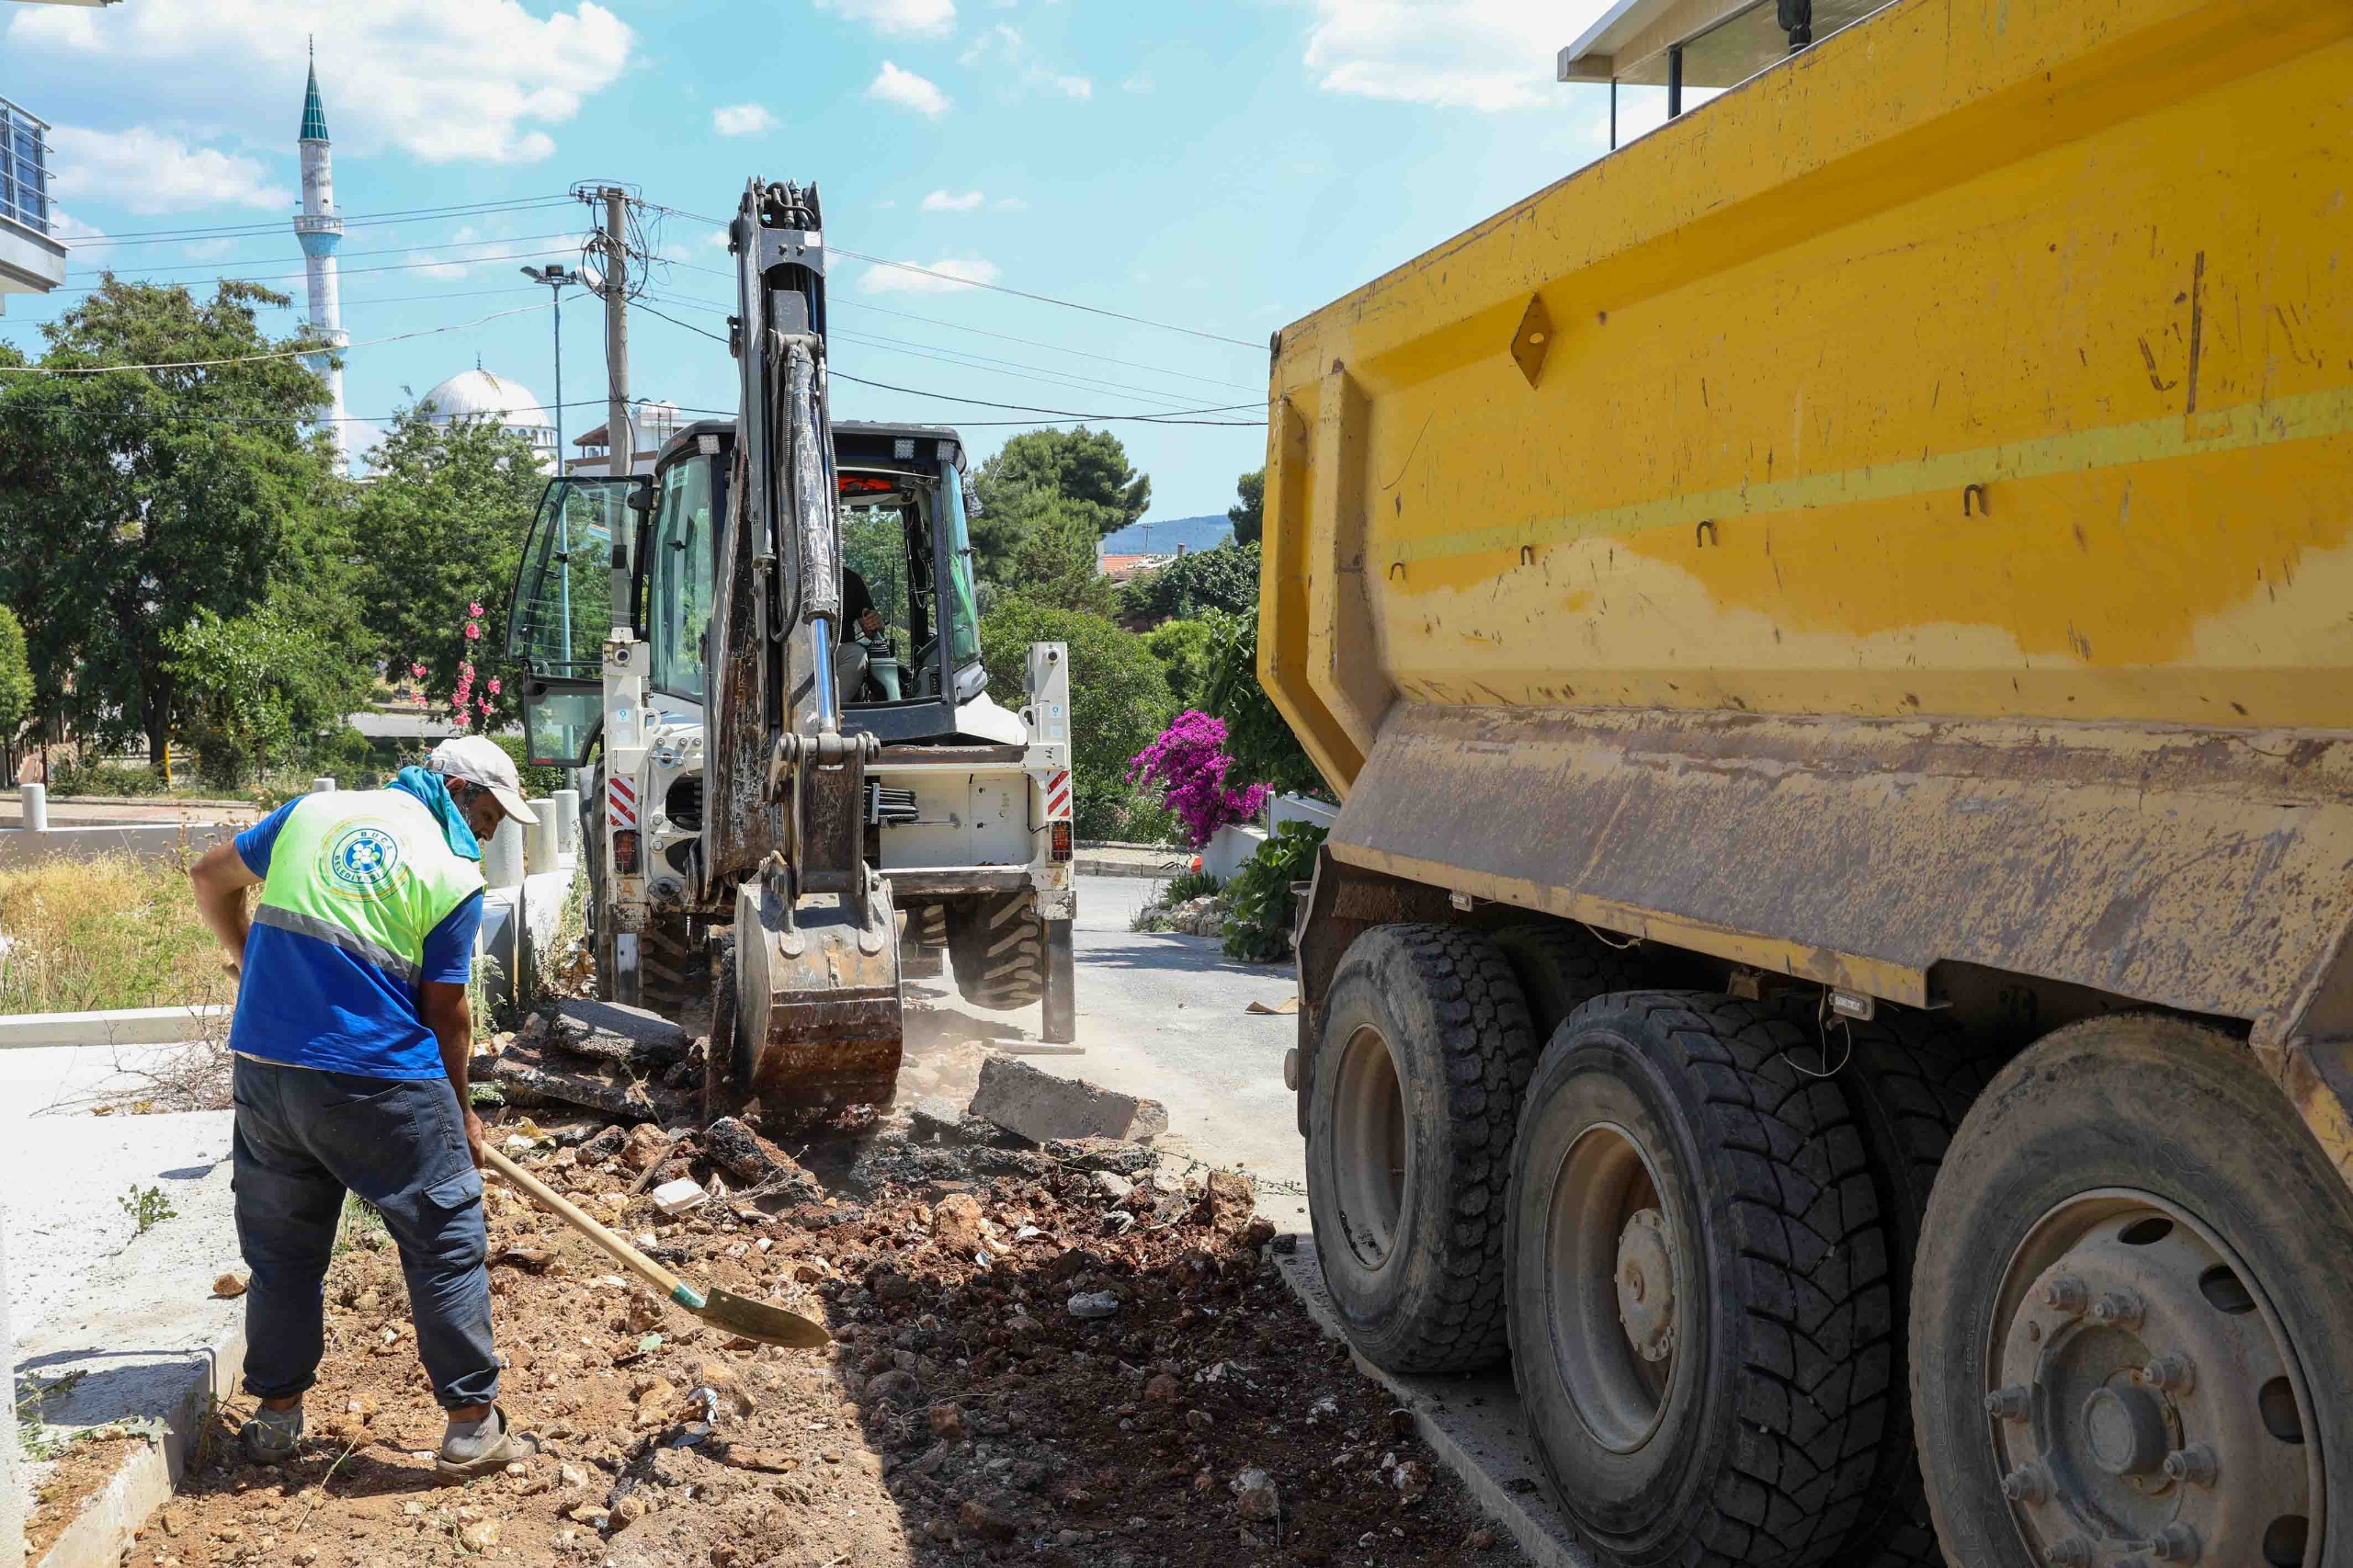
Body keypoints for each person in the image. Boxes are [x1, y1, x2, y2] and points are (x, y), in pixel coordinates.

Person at [187, 736, 541, 1478]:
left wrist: (246, 952)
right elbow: (448, 1014)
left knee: (282, 1252)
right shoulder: (450, 874)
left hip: (267, 1068)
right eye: (485, 812)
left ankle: (276, 1420)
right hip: (376, 1079)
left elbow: (208, 877)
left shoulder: (310, 813)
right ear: (451, 787)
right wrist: (462, 1113)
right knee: (444, 1235)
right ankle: (473, 1425)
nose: (488, 831)